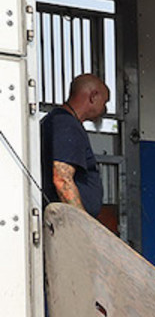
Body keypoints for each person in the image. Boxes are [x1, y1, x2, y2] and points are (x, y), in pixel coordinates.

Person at [40, 73, 110, 217]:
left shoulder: (57, 121)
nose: (105, 109)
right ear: (93, 96)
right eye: (105, 102)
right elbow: (62, 179)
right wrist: (82, 226)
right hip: (64, 225)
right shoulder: (66, 124)